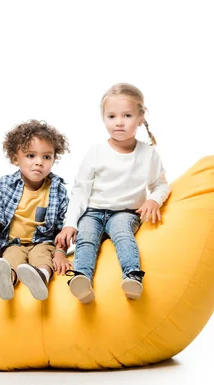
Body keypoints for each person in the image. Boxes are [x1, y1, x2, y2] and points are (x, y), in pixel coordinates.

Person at [56, 83, 171, 304]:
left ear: (140, 118)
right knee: (86, 239)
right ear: (104, 118)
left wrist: (154, 200)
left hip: (125, 212)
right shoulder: (96, 153)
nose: (119, 122)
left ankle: (132, 277)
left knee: (122, 235)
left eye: (127, 115)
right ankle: (81, 279)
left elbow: (161, 185)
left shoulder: (148, 154)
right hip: (93, 211)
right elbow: (80, 192)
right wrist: (70, 223)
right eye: (112, 116)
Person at [0, 120, 72, 301]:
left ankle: (41, 278)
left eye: (46, 157)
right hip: (13, 243)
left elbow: (63, 226)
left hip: (43, 242)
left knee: (43, 256)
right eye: (31, 156)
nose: (39, 162)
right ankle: (8, 281)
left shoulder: (57, 188)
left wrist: (60, 253)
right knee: (10, 258)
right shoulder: (5, 186)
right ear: (16, 158)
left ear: (54, 159)